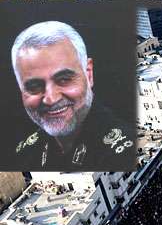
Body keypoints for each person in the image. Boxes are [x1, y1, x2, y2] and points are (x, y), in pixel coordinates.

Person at [11, 21, 136, 171]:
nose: (51, 99)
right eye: (34, 86)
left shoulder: (125, 154)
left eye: (64, 79)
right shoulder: (25, 154)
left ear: (88, 74)